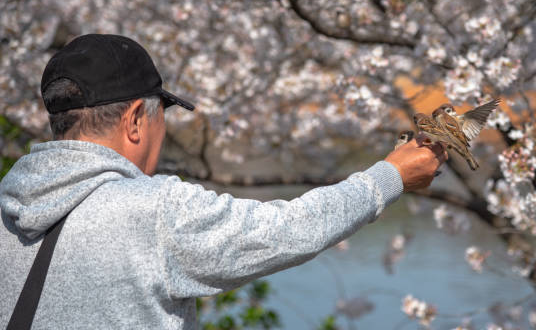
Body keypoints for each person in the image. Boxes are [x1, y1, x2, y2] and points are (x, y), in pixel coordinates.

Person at [0, 34, 447, 329]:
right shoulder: (152, 211)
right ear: (136, 120)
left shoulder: (6, 206)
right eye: (161, 117)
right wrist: (390, 177)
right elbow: (288, 230)